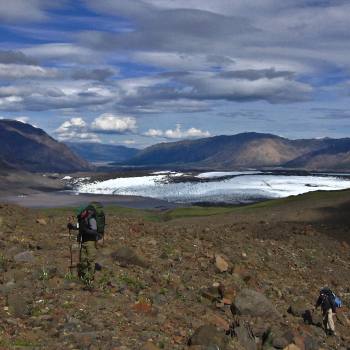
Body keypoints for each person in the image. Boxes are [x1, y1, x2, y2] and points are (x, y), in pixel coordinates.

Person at [67, 205, 102, 285]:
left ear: (84, 211)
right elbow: (79, 226)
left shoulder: (91, 219)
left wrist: (85, 230)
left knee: (90, 259)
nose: (80, 214)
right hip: (83, 242)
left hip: (90, 242)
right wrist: (72, 227)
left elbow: (94, 231)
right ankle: (83, 276)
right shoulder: (81, 219)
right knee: (82, 260)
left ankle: (90, 278)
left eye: (81, 213)